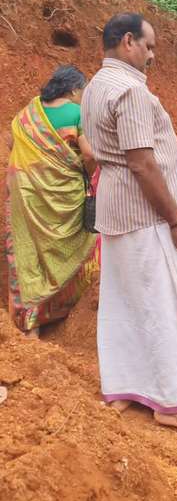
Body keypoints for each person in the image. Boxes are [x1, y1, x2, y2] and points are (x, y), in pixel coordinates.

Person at [81, 12, 177, 436]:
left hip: (116, 213)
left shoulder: (94, 86)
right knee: (163, 307)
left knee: (123, 304)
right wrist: (176, 218)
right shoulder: (130, 91)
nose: (152, 55)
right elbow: (142, 163)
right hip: (145, 216)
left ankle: (123, 387)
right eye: (150, 46)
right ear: (128, 42)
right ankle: (172, 403)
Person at [6, 65, 100, 338]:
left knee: (27, 256)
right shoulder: (76, 113)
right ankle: (67, 312)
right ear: (73, 89)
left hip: (24, 195)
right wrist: (87, 174)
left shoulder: (27, 114)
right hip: (62, 195)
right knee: (79, 244)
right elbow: (90, 154)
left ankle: (30, 327)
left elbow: (14, 147)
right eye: (82, 91)